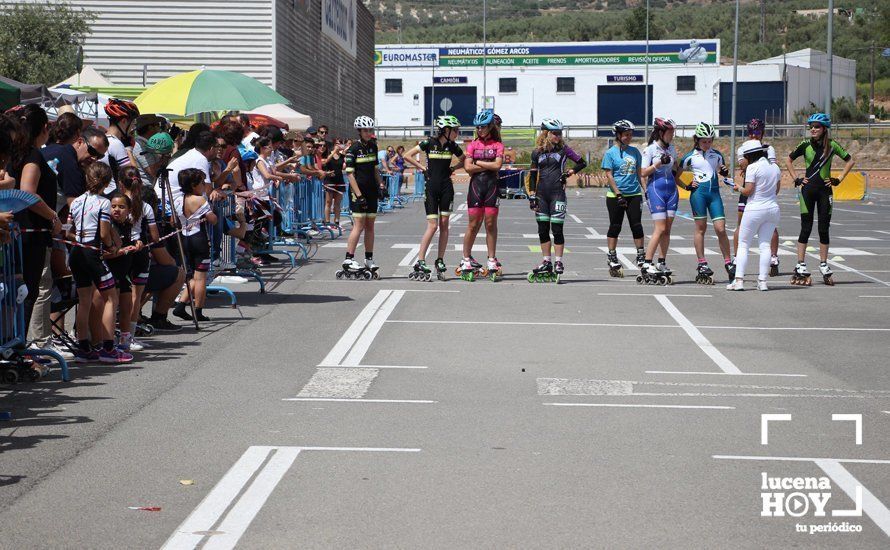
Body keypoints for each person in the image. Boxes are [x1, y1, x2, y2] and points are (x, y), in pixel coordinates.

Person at [3, 105, 65, 360]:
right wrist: (53, 216)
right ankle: (16, 350)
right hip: (29, 234)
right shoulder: (31, 155)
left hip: (15, 231)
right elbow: (28, 191)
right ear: (44, 128)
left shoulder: (15, 155)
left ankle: (13, 346)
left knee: (15, 294)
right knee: (23, 294)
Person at [66, 162, 133, 363]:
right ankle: (108, 348)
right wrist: (113, 246)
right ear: (106, 181)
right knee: (111, 297)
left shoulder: (76, 201)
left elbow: (69, 232)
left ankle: (84, 348)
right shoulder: (104, 203)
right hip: (92, 253)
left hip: (77, 252)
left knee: (84, 300)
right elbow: (103, 233)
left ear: (87, 179)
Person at [785, 113, 855, 286]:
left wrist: (839, 179)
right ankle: (800, 264)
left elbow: (850, 161)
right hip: (807, 190)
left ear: (824, 129)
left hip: (825, 191)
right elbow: (788, 160)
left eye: (816, 127)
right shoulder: (805, 145)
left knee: (824, 229)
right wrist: (797, 179)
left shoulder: (832, 146)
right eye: (811, 127)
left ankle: (823, 264)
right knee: (806, 228)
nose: (813, 130)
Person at [402, 115, 464, 280]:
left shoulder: (453, 146)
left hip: (446, 188)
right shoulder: (429, 142)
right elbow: (407, 156)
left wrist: (453, 168)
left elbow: (465, 160)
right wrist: (423, 168)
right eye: (455, 130)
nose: (457, 132)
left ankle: (440, 259)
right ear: (446, 130)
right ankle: (421, 260)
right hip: (431, 188)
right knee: (432, 225)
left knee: (445, 225)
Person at [525, 118, 586, 282]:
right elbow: (532, 176)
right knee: (543, 229)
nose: (558, 136)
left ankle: (558, 262)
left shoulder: (564, 150)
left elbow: (582, 162)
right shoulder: (537, 152)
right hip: (541, 195)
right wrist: (532, 196)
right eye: (555, 133)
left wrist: (570, 172)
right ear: (546, 133)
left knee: (557, 230)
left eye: (560, 133)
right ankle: (547, 261)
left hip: (557, 194)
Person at [677, 122, 733, 284]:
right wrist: (686, 186)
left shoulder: (717, 155)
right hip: (698, 195)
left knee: (720, 229)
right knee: (700, 228)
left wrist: (724, 172)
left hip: (714, 194)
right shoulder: (689, 157)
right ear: (697, 140)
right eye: (704, 141)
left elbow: (722, 171)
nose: (707, 144)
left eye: (710, 141)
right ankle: (702, 263)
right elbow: (676, 176)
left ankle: (728, 262)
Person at [728, 140, 781, 291]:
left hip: (754, 208)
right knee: (765, 245)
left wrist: (737, 187)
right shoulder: (775, 167)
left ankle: (739, 281)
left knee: (743, 244)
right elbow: (776, 190)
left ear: (750, 155)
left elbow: (748, 191)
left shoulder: (752, 167)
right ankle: (762, 281)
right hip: (772, 208)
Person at [459, 110, 504, 281]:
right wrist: (488, 165)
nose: (480, 130)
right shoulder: (472, 144)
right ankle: (466, 258)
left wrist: (477, 162)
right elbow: (468, 168)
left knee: (490, 223)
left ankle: (491, 259)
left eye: (483, 127)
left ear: (490, 126)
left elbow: (498, 165)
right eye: (477, 127)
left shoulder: (497, 144)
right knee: (473, 224)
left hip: (492, 187)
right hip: (476, 188)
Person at [339, 115, 385, 279]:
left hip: (372, 190)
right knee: (358, 226)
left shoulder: (373, 146)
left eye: (370, 130)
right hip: (358, 192)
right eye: (365, 130)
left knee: (371, 226)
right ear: (359, 131)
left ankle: (369, 258)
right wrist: (359, 196)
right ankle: (348, 259)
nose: (368, 132)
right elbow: (350, 175)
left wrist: (381, 184)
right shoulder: (353, 149)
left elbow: (375, 169)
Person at [734, 118, 780, 276]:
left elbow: (773, 166)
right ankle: (736, 258)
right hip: (748, 187)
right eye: (751, 133)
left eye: (757, 133)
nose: (754, 137)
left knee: (770, 227)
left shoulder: (769, 148)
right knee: (740, 225)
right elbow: (743, 166)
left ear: (763, 133)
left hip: (763, 191)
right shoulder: (742, 148)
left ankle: (773, 257)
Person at [600, 119, 645, 277]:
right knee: (615, 226)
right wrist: (618, 193)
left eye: (630, 134)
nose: (629, 137)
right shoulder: (610, 153)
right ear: (618, 135)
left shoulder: (635, 152)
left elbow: (639, 173)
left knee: (637, 225)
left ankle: (641, 256)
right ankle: (612, 256)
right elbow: (609, 175)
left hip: (634, 194)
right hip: (615, 195)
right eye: (626, 134)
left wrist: (646, 190)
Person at [117, 166, 155, 350]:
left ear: (119, 183)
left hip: (118, 251)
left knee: (117, 296)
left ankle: (106, 337)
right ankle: (128, 337)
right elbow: (154, 235)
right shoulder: (146, 206)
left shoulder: (114, 203)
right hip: (139, 251)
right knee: (135, 296)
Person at [173, 168, 217, 321]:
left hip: (185, 238)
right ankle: (198, 311)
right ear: (193, 185)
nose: (204, 185)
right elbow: (212, 220)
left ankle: (180, 306)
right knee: (201, 278)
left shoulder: (177, 199)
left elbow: (174, 221)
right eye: (201, 183)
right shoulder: (200, 200)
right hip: (199, 239)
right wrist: (212, 213)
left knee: (193, 275)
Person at [639, 117, 678, 285]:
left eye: (673, 132)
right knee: (660, 228)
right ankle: (647, 263)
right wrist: (657, 164)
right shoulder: (650, 150)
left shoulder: (673, 149)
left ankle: (661, 262)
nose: (672, 135)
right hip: (656, 190)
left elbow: (676, 170)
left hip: (672, 190)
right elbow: (643, 173)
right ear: (661, 133)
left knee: (667, 230)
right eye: (670, 132)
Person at [104, 192, 140, 350]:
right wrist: (122, 251)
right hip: (110, 273)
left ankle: (125, 338)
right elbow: (104, 254)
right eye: (113, 206)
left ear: (129, 209)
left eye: (121, 207)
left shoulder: (129, 225)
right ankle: (108, 341)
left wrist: (137, 243)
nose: (116, 210)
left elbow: (132, 241)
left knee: (127, 306)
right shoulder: (109, 226)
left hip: (124, 272)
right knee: (111, 307)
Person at [322, 140, 347, 228]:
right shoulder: (328, 154)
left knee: (337, 203)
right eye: (337, 143)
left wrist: (346, 153)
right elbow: (325, 162)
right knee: (328, 202)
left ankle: (336, 222)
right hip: (330, 180)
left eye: (340, 143)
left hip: (339, 180)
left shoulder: (342, 156)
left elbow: (344, 166)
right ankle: (328, 222)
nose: (339, 145)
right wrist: (333, 153)